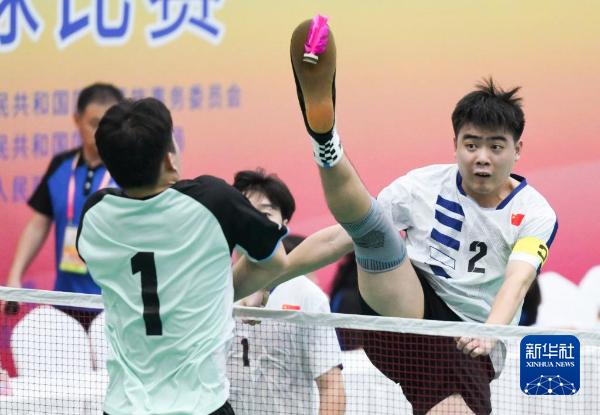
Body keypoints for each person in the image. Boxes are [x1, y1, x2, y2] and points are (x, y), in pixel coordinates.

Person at [287, 17, 558, 415]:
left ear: (517, 150)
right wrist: (276, 273)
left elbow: (518, 281)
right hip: (404, 310)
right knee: (369, 229)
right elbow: (336, 238)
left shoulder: (535, 212)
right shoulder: (421, 185)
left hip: (467, 341)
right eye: (471, 144)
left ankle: (326, 145)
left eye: (496, 147)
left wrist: (489, 332)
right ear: (455, 145)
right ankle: (327, 143)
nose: (482, 157)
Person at [76, 98, 290, 415]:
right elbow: (276, 261)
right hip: (201, 405)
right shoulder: (213, 200)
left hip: (123, 406)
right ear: (169, 159)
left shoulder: (95, 215)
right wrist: (222, 290)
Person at [4, 83, 123, 329]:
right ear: (76, 120)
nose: (102, 132)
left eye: (110, 124)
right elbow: (38, 224)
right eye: (94, 123)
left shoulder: (130, 169)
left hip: (115, 306)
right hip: (66, 302)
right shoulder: (61, 165)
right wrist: (15, 274)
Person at [227, 168, 345, 415]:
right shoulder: (212, 289)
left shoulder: (307, 296)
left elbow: (331, 386)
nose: (254, 221)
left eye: (265, 213)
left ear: (284, 225)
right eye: (245, 210)